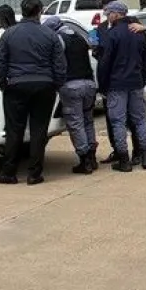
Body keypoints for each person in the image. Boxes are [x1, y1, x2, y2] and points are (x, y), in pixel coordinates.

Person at [0, 0, 66, 185]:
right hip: (44, 86)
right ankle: (34, 174)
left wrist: (2, 84)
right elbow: (59, 65)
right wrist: (56, 85)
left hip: (16, 85)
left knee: (14, 130)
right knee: (39, 130)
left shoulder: (9, 34)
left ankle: (9, 172)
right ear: (40, 11)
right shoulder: (50, 34)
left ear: (22, 10)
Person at [90, 0, 146, 165]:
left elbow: (105, 63)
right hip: (136, 82)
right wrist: (142, 78)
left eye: (108, 12)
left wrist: (103, 86)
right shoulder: (137, 32)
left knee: (118, 121)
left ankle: (124, 159)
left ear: (116, 14)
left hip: (117, 84)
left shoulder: (114, 34)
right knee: (140, 119)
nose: (107, 15)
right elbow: (145, 59)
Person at [43, 15, 99, 173]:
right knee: (88, 121)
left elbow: (56, 62)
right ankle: (92, 157)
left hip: (71, 85)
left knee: (76, 123)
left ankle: (85, 160)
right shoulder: (79, 37)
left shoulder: (58, 40)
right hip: (89, 84)